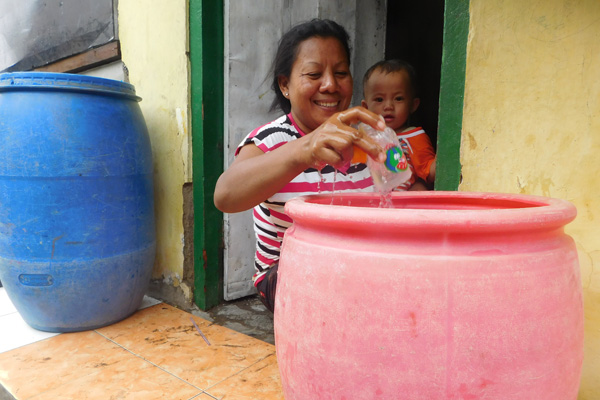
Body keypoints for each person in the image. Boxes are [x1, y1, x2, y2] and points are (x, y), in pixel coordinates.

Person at [213, 19, 388, 313]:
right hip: (286, 275)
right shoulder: (271, 140)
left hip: (355, 267)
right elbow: (225, 195)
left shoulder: (366, 138)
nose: (330, 85)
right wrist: (304, 150)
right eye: (314, 74)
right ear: (285, 85)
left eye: (341, 73)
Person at [361, 59, 437, 190]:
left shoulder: (413, 136)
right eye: (379, 99)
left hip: (400, 205)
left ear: (413, 105)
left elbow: (430, 172)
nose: (389, 106)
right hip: (366, 201)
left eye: (398, 98)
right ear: (365, 107)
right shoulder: (361, 137)